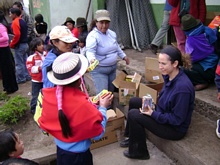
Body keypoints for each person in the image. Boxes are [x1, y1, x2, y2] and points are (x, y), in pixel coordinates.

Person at [35, 52, 113, 165]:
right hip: (79, 157)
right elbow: (98, 133)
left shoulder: (47, 95)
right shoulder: (82, 104)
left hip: (61, 151)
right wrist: (103, 107)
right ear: (79, 79)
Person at [120, 45, 195, 160]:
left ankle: (139, 152)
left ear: (175, 64)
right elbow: (166, 100)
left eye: (163, 64)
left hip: (174, 129)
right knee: (134, 101)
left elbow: (177, 120)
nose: (160, 67)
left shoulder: (182, 88)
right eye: (159, 63)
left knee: (134, 115)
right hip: (163, 113)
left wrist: (153, 114)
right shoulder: (170, 76)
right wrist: (152, 104)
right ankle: (132, 138)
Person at [86, 9, 130, 94]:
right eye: (101, 22)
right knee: (104, 95)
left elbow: (116, 47)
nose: (104, 25)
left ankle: (109, 107)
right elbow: (90, 51)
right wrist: (92, 59)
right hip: (100, 70)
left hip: (112, 68)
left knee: (111, 93)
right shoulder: (93, 36)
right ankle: (102, 107)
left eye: (106, 23)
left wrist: (124, 56)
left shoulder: (112, 34)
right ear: (96, 23)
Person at [181, 14, 219, 91]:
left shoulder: (191, 40)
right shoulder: (207, 30)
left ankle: (202, 82)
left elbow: (190, 59)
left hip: (209, 69)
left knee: (184, 67)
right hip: (217, 65)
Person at [9, 8, 31, 84]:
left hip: (19, 45)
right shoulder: (22, 21)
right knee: (25, 61)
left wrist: (12, 44)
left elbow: (17, 34)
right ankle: (27, 76)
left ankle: (21, 78)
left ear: (14, 14)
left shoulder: (15, 22)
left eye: (10, 14)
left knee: (19, 63)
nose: (10, 15)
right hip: (25, 44)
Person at [26, 38, 46, 114]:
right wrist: (39, 68)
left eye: (42, 44)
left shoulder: (46, 54)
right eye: (39, 45)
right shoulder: (31, 57)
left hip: (45, 79)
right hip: (36, 80)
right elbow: (30, 68)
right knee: (36, 95)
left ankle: (43, 108)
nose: (42, 46)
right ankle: (33, 109)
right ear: (35, 47)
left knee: (44, 94)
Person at [0, 10, 18, 94]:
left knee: (7, 69)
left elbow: (6, 38)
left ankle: (10, 87)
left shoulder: (1, 26)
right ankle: (7, 86)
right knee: (5, 70)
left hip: (4, 50)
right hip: (3, 50)